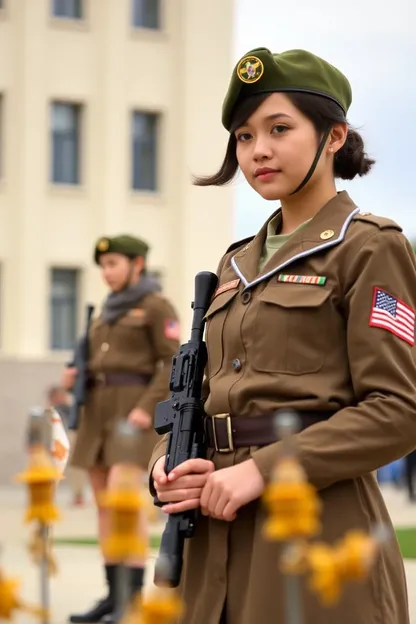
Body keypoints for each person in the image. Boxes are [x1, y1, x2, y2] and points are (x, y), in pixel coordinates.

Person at [149, 47, 416, 624]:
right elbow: (198, 397)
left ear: (335, 136)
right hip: (206, 543)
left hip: (316, 535)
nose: (258, 151)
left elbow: (398, 410)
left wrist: (261, 472)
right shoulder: (232, 264)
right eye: (244, 137)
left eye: (279, 129)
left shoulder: (368, 246)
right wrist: (165, 466)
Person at [62, 235, 180, 624]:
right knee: (105, 511)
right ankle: (113, 597)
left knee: (125, 507)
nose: (106, 272)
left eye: (113, 263)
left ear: (137, 265)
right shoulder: (106, 312)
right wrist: (76, 375)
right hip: (98, 415)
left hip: (133, 418)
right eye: (103, 265)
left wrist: (148, 408)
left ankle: (130, 600)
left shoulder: (154, 306)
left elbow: (172, 361)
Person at [46, 385, 87, 506]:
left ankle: (78, 495)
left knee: (75, 467)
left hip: (71, 437)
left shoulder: (71, 408)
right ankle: (49, 494)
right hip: (58, 440)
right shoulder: (52, 410)